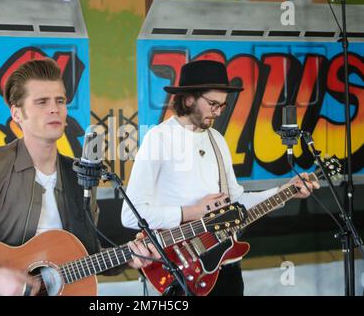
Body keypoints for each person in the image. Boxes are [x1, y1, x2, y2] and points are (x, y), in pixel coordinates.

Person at [0, 59, 158, 296]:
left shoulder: (79, 175)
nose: (55, 108)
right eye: (42, 102)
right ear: (17, 113)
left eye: (60, 101)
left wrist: (129, 257)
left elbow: (88, 256)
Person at [121, 60, 319, 296]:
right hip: (182, 271)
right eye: (213, 103)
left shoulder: (217, 140)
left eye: (222, 105)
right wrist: (192, 212)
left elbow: (236, 203)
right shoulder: (159, 138)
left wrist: (285, 191)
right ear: (188, 99)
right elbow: (130, 215)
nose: (217, 111)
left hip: (227, 268)